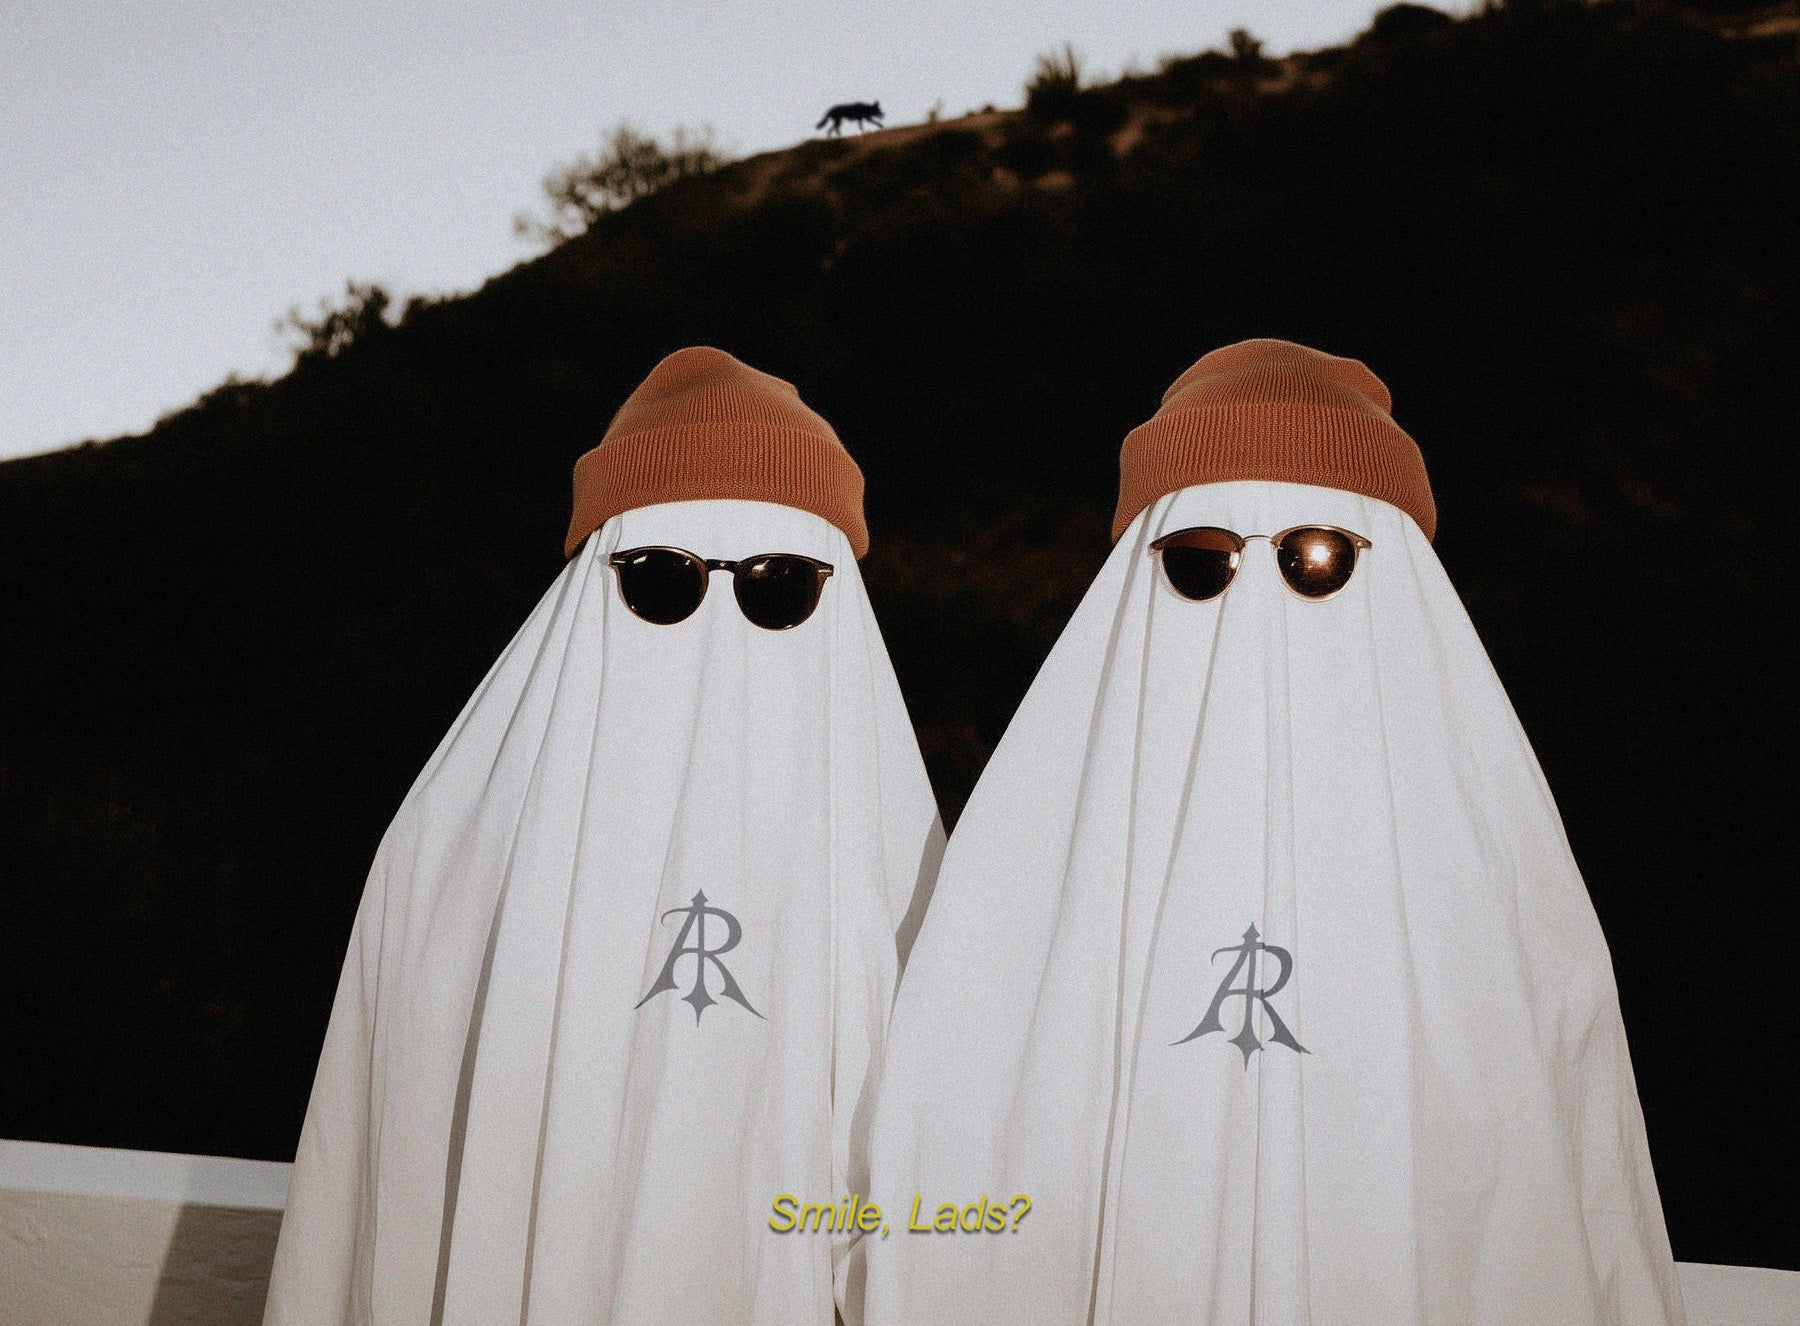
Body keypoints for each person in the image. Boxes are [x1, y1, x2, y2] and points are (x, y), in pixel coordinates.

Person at [862, 339, 1684, 1325]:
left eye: (1317, 560)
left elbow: (1581, 1155)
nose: (1257, 610)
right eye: (1201, 566)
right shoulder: (1033, 872)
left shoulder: (1488, 854)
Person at [264, 346, 942, 1325]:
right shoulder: (444, 865)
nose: (718, 630)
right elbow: (367, 1202)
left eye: (779, 587)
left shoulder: (904, 879)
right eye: (661, 582)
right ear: (594, 586)